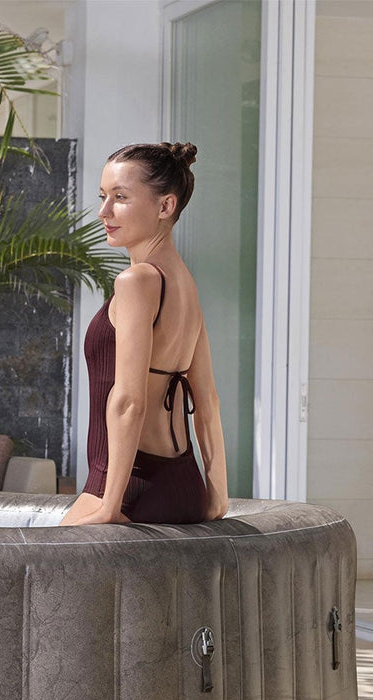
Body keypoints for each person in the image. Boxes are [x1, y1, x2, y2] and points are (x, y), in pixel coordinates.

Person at [61, 142, 229, 526]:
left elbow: (128, 401)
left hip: (130, 487)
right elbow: (208, 402)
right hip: (183, 485)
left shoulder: (137, 281)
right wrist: (217, 495)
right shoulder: (185, 284)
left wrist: (108, 504)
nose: (104, 211)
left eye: (120, 198)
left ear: (165, 206)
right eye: (103, 197)